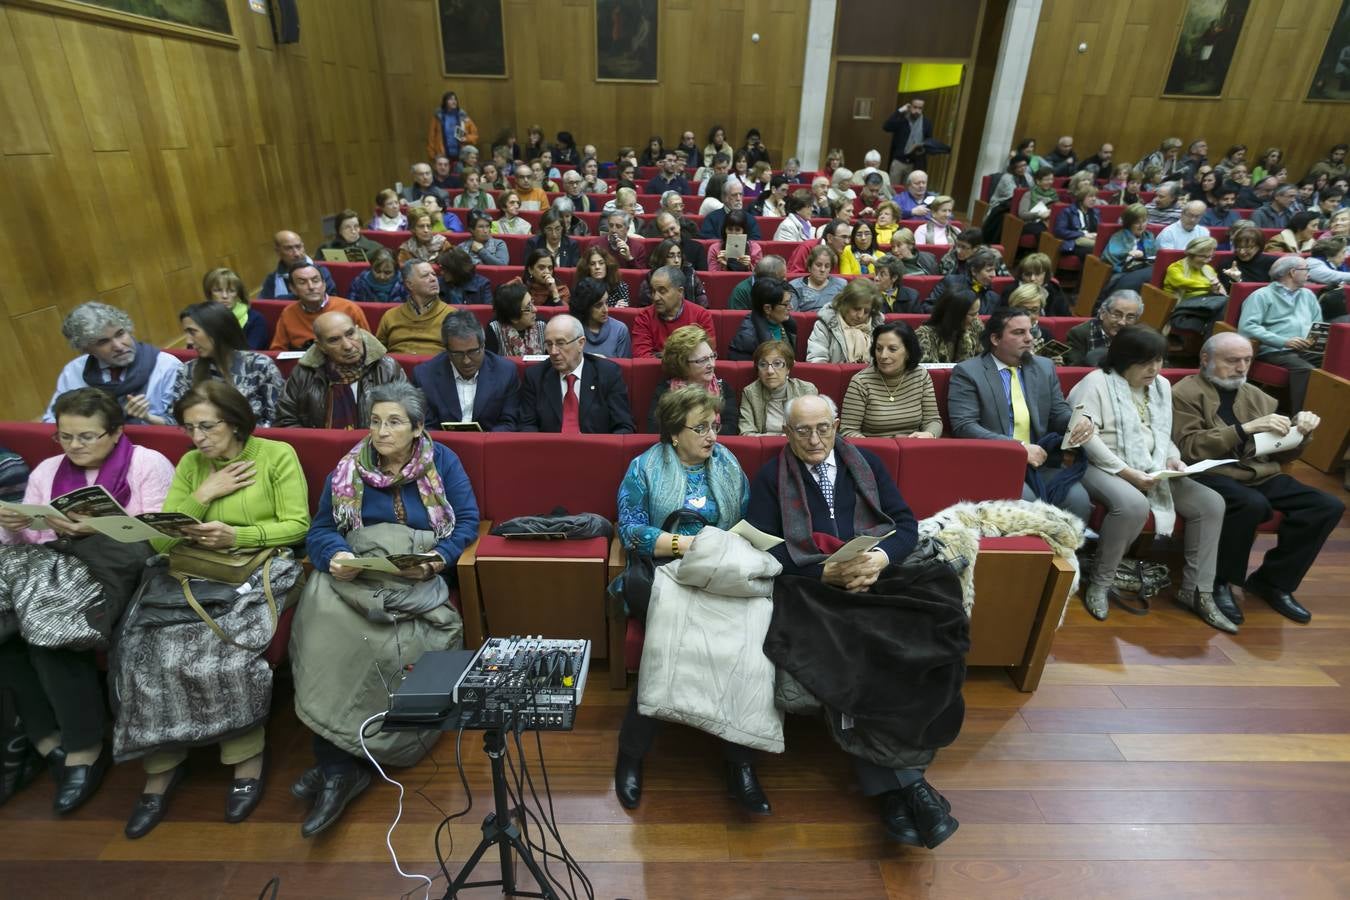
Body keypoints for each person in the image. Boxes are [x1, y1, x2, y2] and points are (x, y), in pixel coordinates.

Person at [745, 394, 963, 848]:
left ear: (837, 425)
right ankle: (908, 790)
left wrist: (880, 558)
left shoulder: (865, 464)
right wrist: (820, 569)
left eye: (823, 428)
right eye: (802, 430)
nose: (814, 439)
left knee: (928, 625)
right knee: (851, 654)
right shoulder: (771, 478)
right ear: (787, 434)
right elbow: (764, 545)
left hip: (874, 575)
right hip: (815, 589)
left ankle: (894, 794)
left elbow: (904, 525)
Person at [115, 382, 309, 839]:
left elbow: (296, 525)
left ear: (235, 422)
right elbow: (161, 540)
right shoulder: (190, 465)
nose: (198, 438)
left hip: (257, 568)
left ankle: (245, 762)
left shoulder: (275, 456)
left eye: (207, 426)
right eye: (189, 428)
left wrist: (236, 536)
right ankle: (160, 769)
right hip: (192, 572)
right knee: (144, 648)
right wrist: (205, 492)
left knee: (224, 649)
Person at [293, 382, 478, 837]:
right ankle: (341, 767)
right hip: (354, 580)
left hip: (415, 580)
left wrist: (438, 559)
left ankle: (343, 767)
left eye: (394, 421)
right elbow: (320, 530)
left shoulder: (443, 462)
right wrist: (335, 554)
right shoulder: (348, 469)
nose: (381, 431)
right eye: (375, 421)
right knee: (325, 638)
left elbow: (468, 521)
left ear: (417, 428)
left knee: (396, 652)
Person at [0, 388, 173, 814]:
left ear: (115, 433)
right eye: (65, 437)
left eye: (87, 437)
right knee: (9, 622)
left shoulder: (148, 464)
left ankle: (80, 747)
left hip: (119, 566)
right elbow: (33, 544)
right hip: (50, 566)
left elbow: (158, 535)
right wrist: (17, 524)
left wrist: (95, 529)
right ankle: (44, 738)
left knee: (47, 625)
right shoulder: (46, 469)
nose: (74, 446)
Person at [613, 385, 766, 813]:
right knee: (670, 635)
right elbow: (630, 531)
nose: (712, 436)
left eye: (714, 426)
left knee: (747, 639)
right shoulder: (644, 467)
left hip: (720, 571)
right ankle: (632, 754)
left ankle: (740, 763)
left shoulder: (728, 464)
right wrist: (687, 546)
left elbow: (745, 522)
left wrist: (731, 549)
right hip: (666, 570)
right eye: (700, 428)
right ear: (674, 433)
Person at [1172, 332, 1344, 625]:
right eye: (1232, 361)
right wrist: (1245, 428)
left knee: (1326, 505)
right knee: (1250, 504)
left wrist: (1301, 434)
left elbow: (1281, 456)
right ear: (1205, 359)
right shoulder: (1184, 393)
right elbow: (1189, 448)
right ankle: (1220, 582)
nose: (1241, 368)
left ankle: (1274, 582)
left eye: (1247, 360)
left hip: (1257, 472)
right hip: (1208, 472)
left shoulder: (1257, 396)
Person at [1066, 326, 1230, 628]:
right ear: (1123, 360)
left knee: (1211, 503)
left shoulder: (1162, 386)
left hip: (1152, 466)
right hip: (1100, 465)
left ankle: (1197, 591)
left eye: (1159, 360)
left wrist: (1173, 459)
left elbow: (1161, 433)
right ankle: (1101, 582)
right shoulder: (1095, 384)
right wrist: (1128, 474)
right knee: (1132, 505)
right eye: (1145, 362)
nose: (1154, 369)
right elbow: (1086, 439)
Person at [948, 308, 1095, 521]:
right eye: (1018, 333)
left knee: (1078, 501)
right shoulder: (968, 372)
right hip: (995, 462)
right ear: (995, 339)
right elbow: (965, 426)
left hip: (1040, 462)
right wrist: (1018, 449)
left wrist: (1079, 420)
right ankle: (1032, 554)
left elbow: (1058, 412)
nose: (1029, 339)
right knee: (1027, 504)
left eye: (1030, 331)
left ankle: (1062, 555)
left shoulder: (1044, 367)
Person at [44, 302, 181, 426]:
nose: (119, 346)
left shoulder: (166, 365)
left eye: (120, 334)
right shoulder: (74, 371)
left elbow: (185, 425)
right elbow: (51, 421)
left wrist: (148, 418)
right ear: (86, 349)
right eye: (103, 342)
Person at [274, 312, 406, 429]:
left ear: (359, 331)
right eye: (334, 340)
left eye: (350, 334)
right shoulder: (303, 373)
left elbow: (405, 418)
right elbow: (285, 421)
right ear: (321, 346)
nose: (348, 346)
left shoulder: (387, 368)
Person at [168, 302, 284, 427]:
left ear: (216, 330)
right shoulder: (187, 371)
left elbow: (277, 419)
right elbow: (176, 420)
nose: (188, 341)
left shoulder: (259, 366)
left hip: (256, 442)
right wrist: (149, 417)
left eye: (193, 332)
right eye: (186, 332)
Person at [519, 314, 634, 434]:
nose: (553, 351)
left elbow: (623, 426)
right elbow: (527, 426)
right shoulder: (535, 376)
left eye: (560, 343)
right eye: (549, 344)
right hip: (548, 450)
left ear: (581, 343)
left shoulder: (608, 373)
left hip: (595, 450)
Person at [1238, 256, 1324, 412]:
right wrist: (1283, 341)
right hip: (1274, 351)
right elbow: (1247, 328)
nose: (1309, 274)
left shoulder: (1308, 295)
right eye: (1306, 270)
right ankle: (1302, 417)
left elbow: (1318, 325)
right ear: (1292, 272)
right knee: (1305, 369)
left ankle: (1334, 414)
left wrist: (1315, 341)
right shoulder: (1262, 296)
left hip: (1305, 349)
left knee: (1336, 362)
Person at [411, 310, 519, 431]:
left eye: (473, 352)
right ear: (446, 350)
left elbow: (509, 422)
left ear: (483, 345)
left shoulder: (505, 371)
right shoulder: (424, 375)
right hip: (441, 447)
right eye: (457, 354)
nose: (466, 361)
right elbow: (425, 426)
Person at [839, 323, 941, 439]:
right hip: (873, 451)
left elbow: (933, 420)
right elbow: (848, 431)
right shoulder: (861, 381)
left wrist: (929, 434)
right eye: (879, 348)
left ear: (908, 352)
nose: (883, 355)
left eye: (892, 349)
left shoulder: (921, 375)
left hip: (914, 447)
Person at [644, 325, 739, 433]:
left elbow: (730, 430)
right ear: (682, 364)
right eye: (702, 360)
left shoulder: (724, 388)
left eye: (712, 356)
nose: (711, 364)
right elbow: (655, 430)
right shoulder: (666, 390)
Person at [269, 262, 371, 351]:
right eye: (302, 282)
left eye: (315, 280)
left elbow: (369, 345)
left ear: (324, 284)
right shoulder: (288, 313)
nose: (311, 287)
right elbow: (278, 350)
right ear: (293, 289)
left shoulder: (349, 308)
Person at [631, 266, 715, 358]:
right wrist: (684, 357)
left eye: (662, 291)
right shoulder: (644, 317)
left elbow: (706, 357)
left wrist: (661, 356)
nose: (655, 297)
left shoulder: (701, 315)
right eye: (653, 291)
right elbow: (642, 357)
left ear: (680, 292)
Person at [739, 340, 818, 436]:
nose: (770, 371)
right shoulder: (750, 393)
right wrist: (781, 437)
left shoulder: (806, 390)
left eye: (777, 364)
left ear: (788, 368)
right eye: (763, 365)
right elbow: (746, 433)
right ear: (757, 370)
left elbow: (812, 431)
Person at [375, 260, 453, 356]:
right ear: (409, 284)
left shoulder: (452, 315)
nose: (433, 279)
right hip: (397, 369)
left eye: (434, 274)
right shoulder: (390, 316)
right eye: (425, 276)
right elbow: (377, 354)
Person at [807, 279, 885, 364]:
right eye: (856, 309)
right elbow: (817, 360)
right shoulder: (823, 326)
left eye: (866, 311)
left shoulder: (878, 329)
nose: (860, 316)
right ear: (844, 304)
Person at [1066, 289, 1143, 367]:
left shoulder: (1138, 337)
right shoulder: (1079, 334)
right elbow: (1074, 369)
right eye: (1117, 314)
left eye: (1130, 317)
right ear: (1103, 313)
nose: (1122, 322)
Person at [729, 277, 797, 360]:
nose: (791, 307)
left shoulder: (786, 324)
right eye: (786, 304)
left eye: (790, 302)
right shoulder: (747, 339)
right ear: (767, 308)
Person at [1101, 203, 1159, 298]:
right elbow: (1110, 256)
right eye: (1137, 222)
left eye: (1144, 221)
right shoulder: (1119, 236)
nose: (1141, 226)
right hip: (1125, 273)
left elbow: (1153, 256)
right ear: (1129, 223)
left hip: (1145, 272)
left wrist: (1144, 256)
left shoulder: (1149, 236)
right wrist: (1128, 254)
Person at [259, 231, 337, 299]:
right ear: (278, 251)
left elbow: (331, 299)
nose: (296, 253)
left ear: (303, 246)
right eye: (289, 248)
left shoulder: (321, 271)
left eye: (298, 247)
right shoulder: (272, 279)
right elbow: (266, 306)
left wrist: (283, 298)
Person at [570, 277, 632, 358]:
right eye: (598, 305)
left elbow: (624, 368)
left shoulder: (620, 330)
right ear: (586, 306)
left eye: (606, 303)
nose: (606, 310)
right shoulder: (571, 330)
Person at [916, 289, 983, 364]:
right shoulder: (924, 335)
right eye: (972, 314)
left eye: (977, 313)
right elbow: (927, 371)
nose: (977, 318)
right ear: (955, 315)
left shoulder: (975, 327)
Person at [638, 239, 709, 308]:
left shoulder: (690, 275)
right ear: (662, 258)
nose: (677, 260)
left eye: (679, 255)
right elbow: (645, 308)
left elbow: (703, 305)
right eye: (671, 256)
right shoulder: (651, 277)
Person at [484, 282, 545, 357]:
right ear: (513, 317)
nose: (535, 309)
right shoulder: (494, 329)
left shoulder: (542, 325)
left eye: (532, 303)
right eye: (528, 307)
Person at [884, 99, 933, 187]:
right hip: (899, 160)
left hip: (914, 163)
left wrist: (921, 148)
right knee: (893, 189)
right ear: (910, 107)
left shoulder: (926, 123)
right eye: (915, 107)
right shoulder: (902, 119)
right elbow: (886, 127)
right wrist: (899, 111)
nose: (917, 110)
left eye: (920, 108)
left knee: (909, 190)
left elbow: (928, 140)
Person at [792, 246, 847, 313]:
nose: (822, 270)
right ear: (809, 267)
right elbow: (794, 317)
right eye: (818, 265)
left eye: (827, 266)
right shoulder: (794, 287)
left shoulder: (841, 285)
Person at [426, 90, 477, 163]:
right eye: (450, 99)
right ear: (445, 102)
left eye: (455, 99)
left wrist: (465, 138)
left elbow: (474, 135)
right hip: (443, 155)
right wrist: (432, 155)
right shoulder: (438, 117)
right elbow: (431, 137)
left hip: (461, 155)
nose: (454, 101)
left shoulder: (462, 116)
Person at [1015, 252, 1073, 316]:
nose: (1032, 278)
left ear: (1046, 275)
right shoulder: (1011, 291)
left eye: (1037, 274)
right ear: (1021, 275)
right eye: (1027, 274)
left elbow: (1066, 316)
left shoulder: (1054, 289)